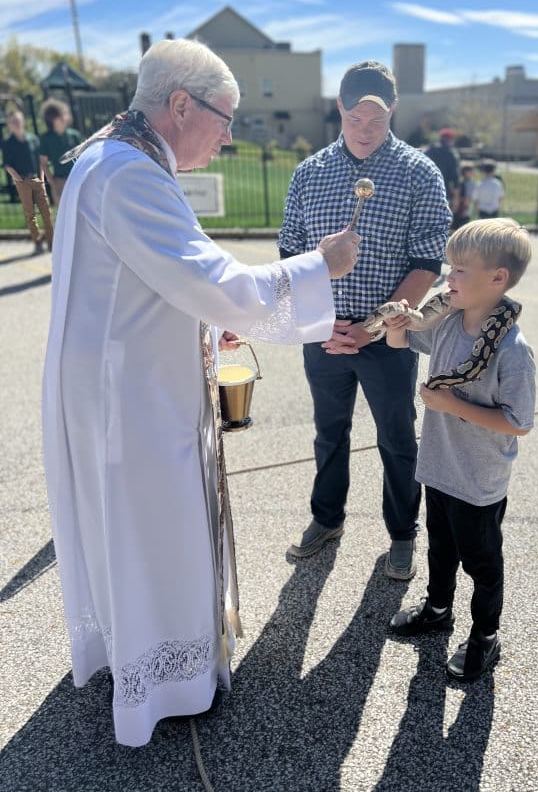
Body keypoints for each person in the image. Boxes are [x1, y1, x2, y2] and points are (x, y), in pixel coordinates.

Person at [42, 38, 360, 747]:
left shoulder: (111, 156)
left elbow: (150, 282)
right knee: (155, 531)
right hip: (136, 404)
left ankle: (139, 656)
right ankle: (168, 684)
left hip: (120, 385)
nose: (228, 136)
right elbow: (212, 281)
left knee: (130, 529)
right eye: (225, 118)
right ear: (181, 103)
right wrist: (320, 266)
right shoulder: (128, 172)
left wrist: (207, 325)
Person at [278, 60, 452, 580]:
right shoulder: (310, 173)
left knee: (397, 438)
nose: (365, 129)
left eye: (377, 119)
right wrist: (320, 319)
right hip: (325, 332)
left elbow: (427, 262)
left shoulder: (420, 172)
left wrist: (372, 326)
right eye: (355, 117)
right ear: (339, 107)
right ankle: (327, 518)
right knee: (328, 432)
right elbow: (290, 252)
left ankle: (402, 533)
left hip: (388, 335)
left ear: (393, 110)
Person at [385, 218, 535, 682]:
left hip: (478, 480)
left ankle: (486, 634)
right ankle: (438, 609)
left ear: (498, 278)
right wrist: (395, 325)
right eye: (450, 267)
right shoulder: (448, 324)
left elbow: (519, 422)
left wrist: (452, 404)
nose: (449, 278)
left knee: (482, 563)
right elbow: (403, 341)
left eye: (460, 270)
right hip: (438, 466)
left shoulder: (512, 350)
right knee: (440, 547)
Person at [1, 109, 53, 252]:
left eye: (19, 120)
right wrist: (19, 180)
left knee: (46, 213)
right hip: (22, 182)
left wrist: (42, 178)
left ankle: (52, 242)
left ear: (23, 121)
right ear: (9, 125)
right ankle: (38, 242)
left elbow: (41, 159)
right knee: (30, 215)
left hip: (37, 179)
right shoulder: (7, 143)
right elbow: (7, 165)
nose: (17, 123)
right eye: (13, 122)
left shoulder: (33, 139)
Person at [39, 98, 82, 206]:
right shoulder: (46, 138)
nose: (63, 118)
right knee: (63, 212)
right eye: (58, 115)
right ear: (50, 119)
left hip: (77, 179)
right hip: (59, 181)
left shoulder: (75, 135)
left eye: (64, 114)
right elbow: (43, 163)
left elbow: (83, 157)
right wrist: (53, 183)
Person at [425, 127, 461, 207]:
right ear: (451, 140)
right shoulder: (452, 154)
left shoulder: (429, 150)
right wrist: (456, 198)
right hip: (443, 192)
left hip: (427, 191)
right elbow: (455, 177)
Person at [451, 161, 475, 231]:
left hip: (458, 210)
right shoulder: (469, 184)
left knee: (455, 229)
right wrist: (465, 209)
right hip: (464, 210)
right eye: (471, 171)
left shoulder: (459, 182)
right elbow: (467, 198)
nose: (473, 173)